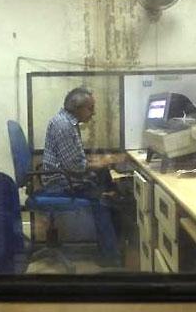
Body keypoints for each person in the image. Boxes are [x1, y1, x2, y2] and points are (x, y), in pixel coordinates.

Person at [42, 87, 121, 267]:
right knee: (103, 200)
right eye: (90, 108)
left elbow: (73, 160)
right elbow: (75, 167)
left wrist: (97, 161)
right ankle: (111, 257)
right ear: (77, 108)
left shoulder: (66, 121)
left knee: (106, 184)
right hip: (58, 183)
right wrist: (103, 161)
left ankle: (110, 249)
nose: (93, 113)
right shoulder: (65, 126)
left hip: (61, 177)